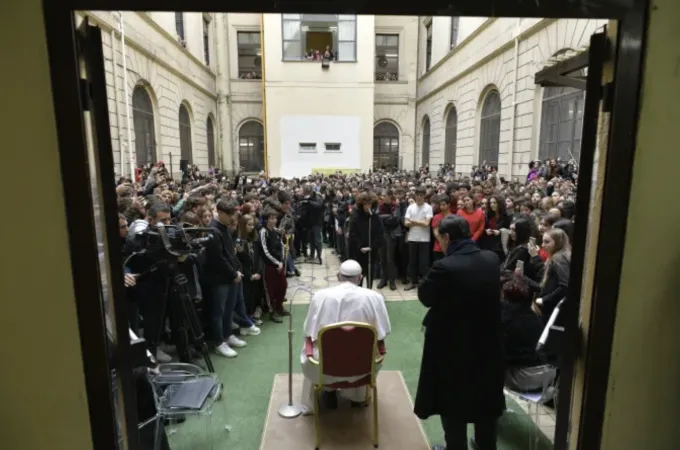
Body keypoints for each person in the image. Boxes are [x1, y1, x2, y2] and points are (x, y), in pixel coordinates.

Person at [415, 215, 505, 450]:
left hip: (453, 347)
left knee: (452, 402)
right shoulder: (491, 260)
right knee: (485, 399)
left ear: (446, 237)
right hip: (487, 345)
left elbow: (425, 297)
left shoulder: (444, 267)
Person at [299, 260, 391, 414]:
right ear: (360, 278)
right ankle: (358, 397)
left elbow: (309, 332)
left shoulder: (320, 296)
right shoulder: (375, 297)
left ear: (338, 276)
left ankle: (327, 390)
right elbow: (383, 332)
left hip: (326, 367)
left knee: (312, 346)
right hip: (364, 367)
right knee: (364, 347)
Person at [404, 186, 433, 290]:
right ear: (415, 196)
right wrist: (420, 222)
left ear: (424, 196)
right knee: (412, 262)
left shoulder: (428, 207)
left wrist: (414, 222)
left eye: (421, 195)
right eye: (417, 195)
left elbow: (427, 223)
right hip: (412, 238)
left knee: (424, 263)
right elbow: (406, 223)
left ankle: (424, 283)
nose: (419, 197)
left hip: (424, 239)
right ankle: (412, 282)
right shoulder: (410, 207)